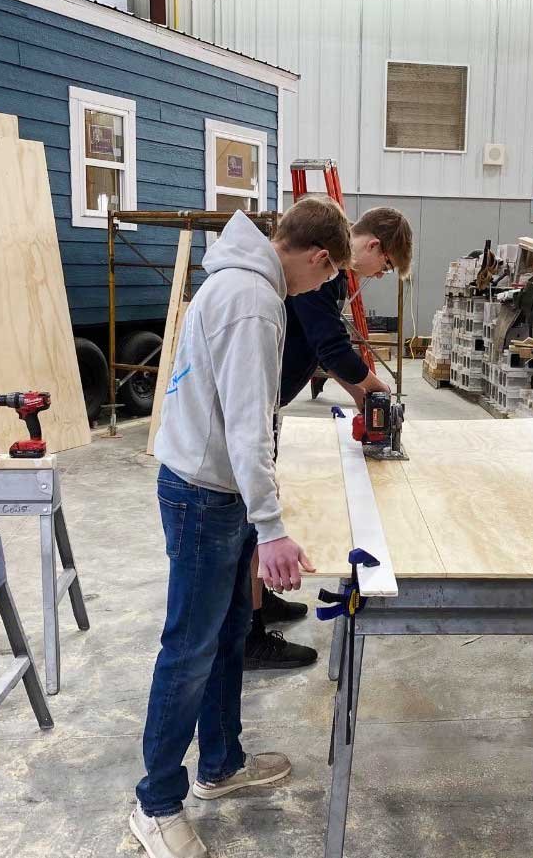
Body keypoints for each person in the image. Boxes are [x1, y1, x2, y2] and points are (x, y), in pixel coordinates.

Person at [131, 197, 353, 858]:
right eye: (329, 277)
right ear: (318, 258)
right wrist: (272, 526)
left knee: (228, 632)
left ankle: (220, 763)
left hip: (211, 485)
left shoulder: (241, 281)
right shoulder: (255, 301)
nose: (323, 290)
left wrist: (259, 518)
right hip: (205, 492)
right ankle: (155, 803)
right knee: (190, 647)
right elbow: (250, 425)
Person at [243, 207, 415, 670]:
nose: (379, 275)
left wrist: (362, 394)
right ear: (375, 246)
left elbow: (330, 343)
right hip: (254, 404)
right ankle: (249, 634)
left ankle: (260, 604)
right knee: (250, 519)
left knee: (251, 519)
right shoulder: (320, 274)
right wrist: (372, 390)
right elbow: (330, 347)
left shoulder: (330, 277)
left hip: (268, 400)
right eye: (386, 266)